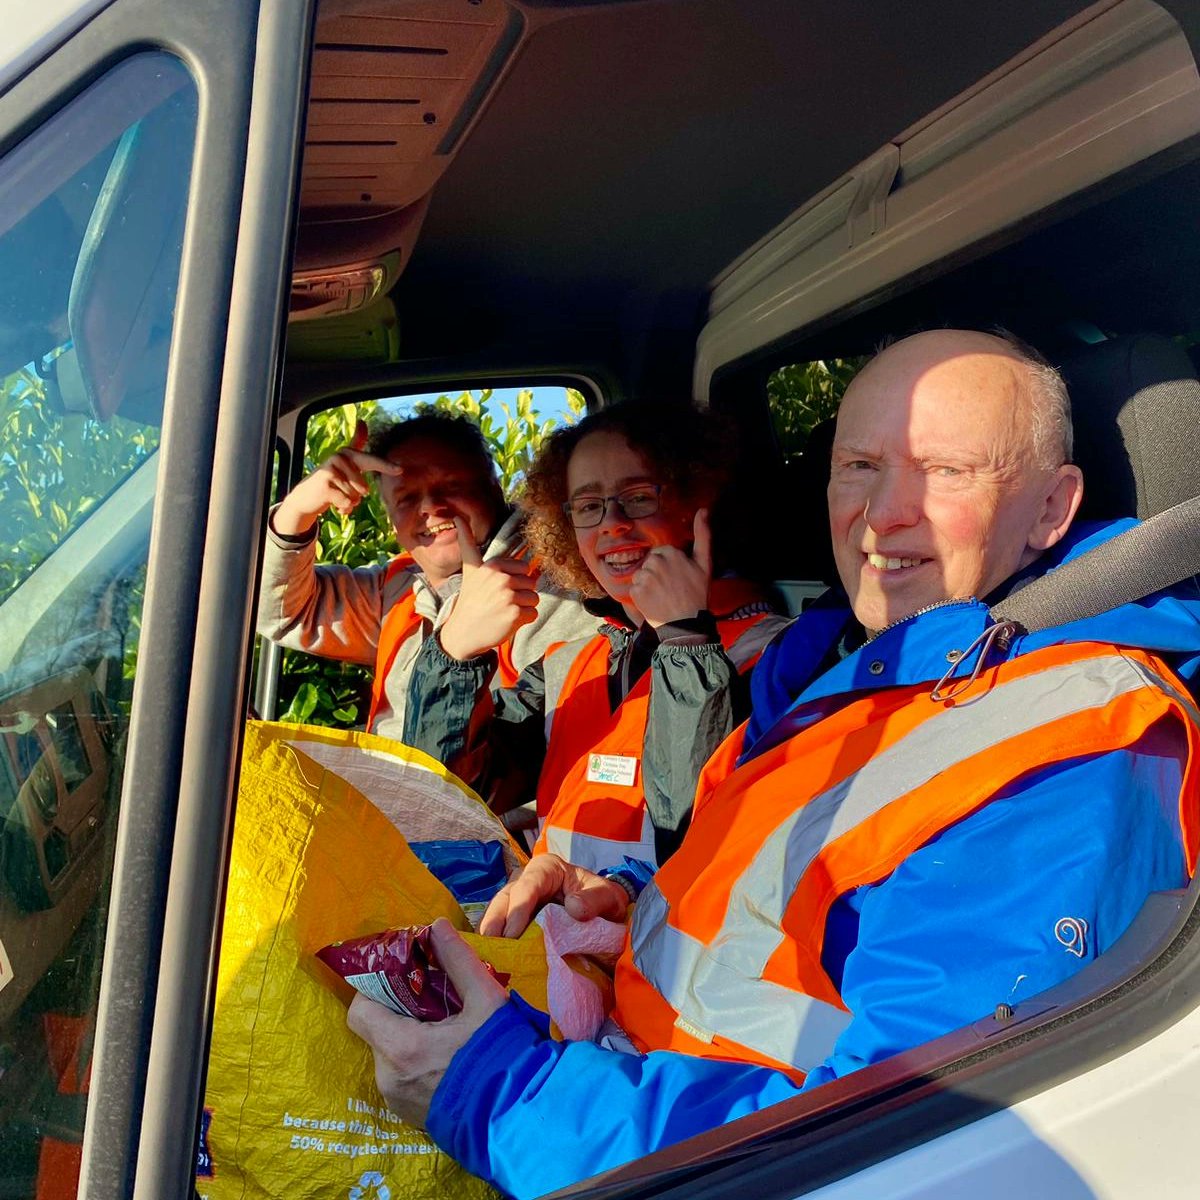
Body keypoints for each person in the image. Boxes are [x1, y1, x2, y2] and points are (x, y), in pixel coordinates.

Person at [347, 330, 1200, 1199]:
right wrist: (625, 915)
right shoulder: (849, 672)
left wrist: (501, 1090)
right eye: (858, 466)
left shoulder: (1070, 744)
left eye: (946, 471)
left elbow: (897, 1147)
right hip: (616, 1076)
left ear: (1052, 510)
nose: (884, 511)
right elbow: (772, 908)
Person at [403, 400, 790, 863]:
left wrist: (685, 638)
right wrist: (454, 654)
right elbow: (446, 805)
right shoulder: (567, 666)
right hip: (549, 929)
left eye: (640, 496)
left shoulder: (774, 654)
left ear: (697, 504)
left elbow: (701, 844)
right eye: (588, 506)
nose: (612, 523)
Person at [256, 411, 598, 741]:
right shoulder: (395, 589)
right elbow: (276, 612)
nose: (430, 507)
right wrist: (297, 511)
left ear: (494, 487)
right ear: (391, 521)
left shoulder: (555, 580)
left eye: (450, 485)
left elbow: (552, 745)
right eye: (406, 499)